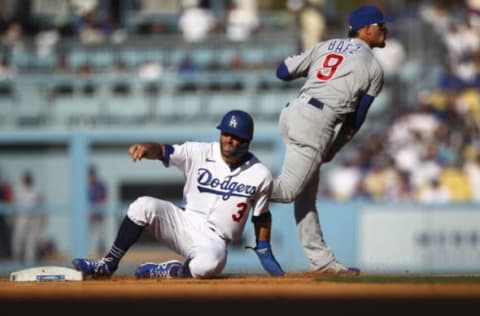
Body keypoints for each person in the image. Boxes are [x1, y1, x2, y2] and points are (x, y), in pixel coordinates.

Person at [72, 110, 284, 279]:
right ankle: (108, 263)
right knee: (142, 205)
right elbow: (164, 150)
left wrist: (264, 248)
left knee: (209, 265)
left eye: (236, 136)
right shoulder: (199, 152)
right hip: (182, 221)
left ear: (247, 141)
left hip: (215, 239)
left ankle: (172, 271)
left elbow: (261, 216)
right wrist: (147, 149)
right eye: (226, 133)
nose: (229, 139)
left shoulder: (260, 174)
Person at [272, 5, 391, 274]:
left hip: (293, 111)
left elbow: (282, 72)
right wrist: (335, 148)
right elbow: (356, 120)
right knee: (288, 191)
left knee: (305, 196)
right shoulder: (373, 67)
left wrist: (313, 67)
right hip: (317, 121)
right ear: (367, 30)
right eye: (381, 27)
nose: (384, 31)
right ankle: (233, 185)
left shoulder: (324, 45)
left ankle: (322, 262)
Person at [11, 171, 46, 264]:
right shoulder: (18, 189)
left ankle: (29, 260)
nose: (27, 181)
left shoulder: (36, 189)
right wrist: (13, 218)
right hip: (22, 216)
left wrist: (43, 217)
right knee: (18, 238)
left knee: (32, 239)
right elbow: (14, 204)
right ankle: (16, 258)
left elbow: (41, 202)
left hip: (34, 216)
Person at [88, 165, 107, 256]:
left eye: (92, 174)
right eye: (89, 175)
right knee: (91, 236)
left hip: (99, 215)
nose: (91, 177)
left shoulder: (100, 185)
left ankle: (101, 256)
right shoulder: (87, 186)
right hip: (89, 215)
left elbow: (104, 198)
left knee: (100, 236)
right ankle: (91, 255)